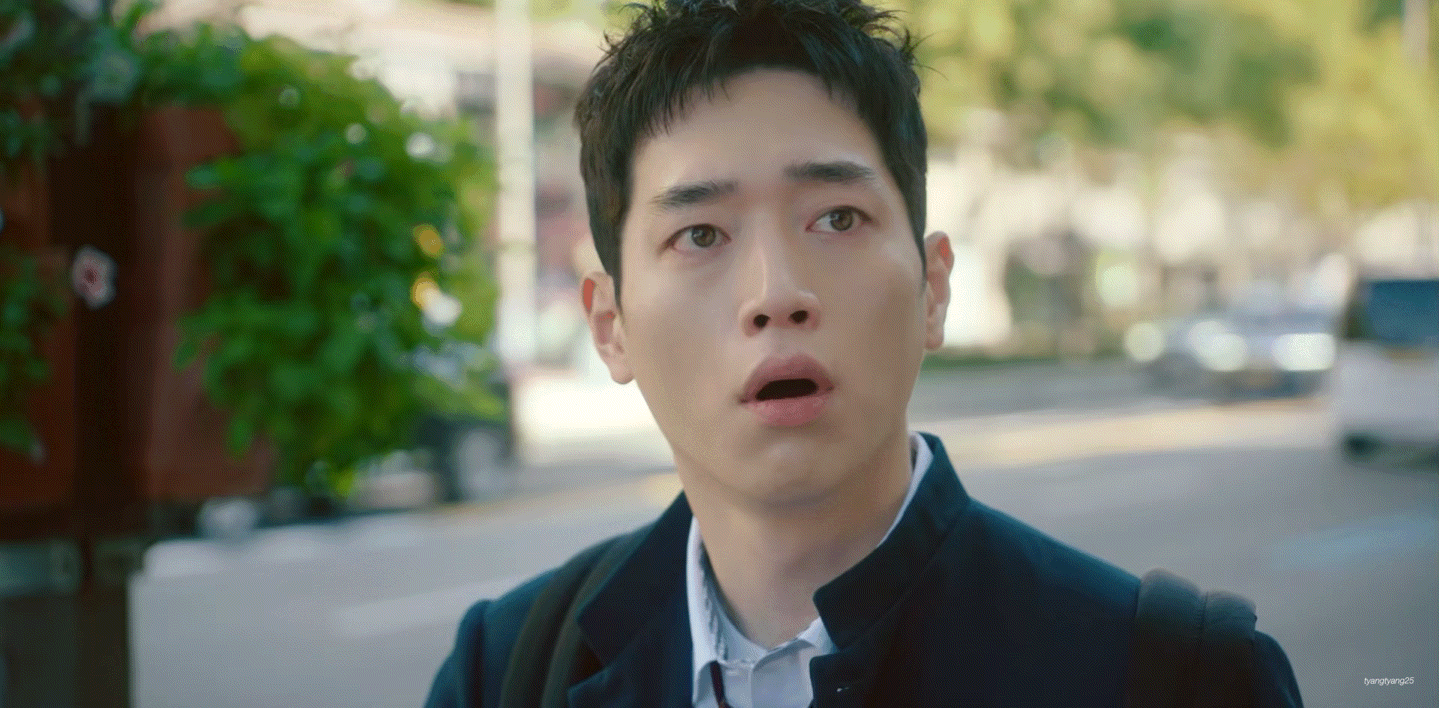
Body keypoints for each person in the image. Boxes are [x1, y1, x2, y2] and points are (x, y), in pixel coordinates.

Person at [426, 0, 1305, 706]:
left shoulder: (1174, 677)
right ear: (610, 324)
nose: (775, 292)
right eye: (699, 234)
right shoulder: (506, 669)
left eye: (836, 218)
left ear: (933, 288)